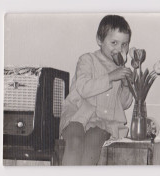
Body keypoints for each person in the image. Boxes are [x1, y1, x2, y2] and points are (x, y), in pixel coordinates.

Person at [59, 15, 133, 165]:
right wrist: (110, 77)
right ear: (100, 40)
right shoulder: (87, 60)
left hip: (103, 122)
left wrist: (126, 85)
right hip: (78, 115)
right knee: (74, 140)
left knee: (93, 143)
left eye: (124, 44)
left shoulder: (121, 70)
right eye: (114, 43)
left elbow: (123, 105)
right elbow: (84, 88)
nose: (119, 49)